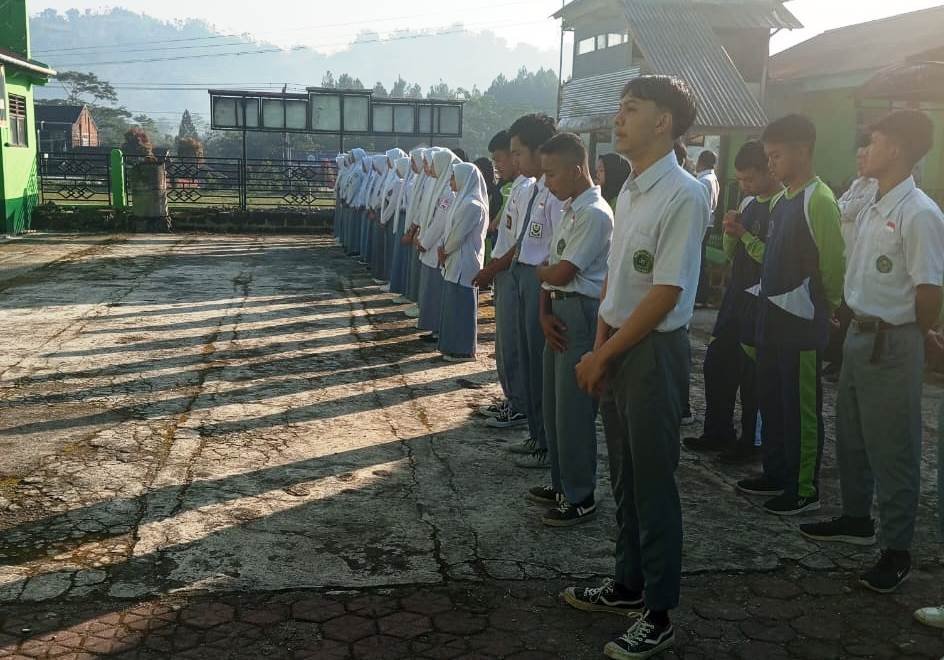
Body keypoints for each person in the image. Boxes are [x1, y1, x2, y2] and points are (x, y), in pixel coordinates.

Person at [564, 75, 705, 659]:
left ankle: (660, 612)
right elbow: (619, 285)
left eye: (631, 109)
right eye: (620, 109)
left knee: (652, 483)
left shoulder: (685, 194)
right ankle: (627, 583)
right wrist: (598, 347)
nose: (618, 119)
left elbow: (665, 294)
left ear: (664, 122)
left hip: (650, 352)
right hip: (617, 346)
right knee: (623, 476)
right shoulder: (629, 189)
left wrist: (607, 352)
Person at [799, 110, 944, 593]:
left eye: (875, 140)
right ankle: (857, 518)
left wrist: (914, 335)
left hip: (893, 339)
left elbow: (929, 292)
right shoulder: (873, 205)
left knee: (894, 446)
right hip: (861, 336)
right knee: (854, 435)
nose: (866, 148)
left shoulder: (919, 212)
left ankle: (897, 548)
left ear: (898, 149)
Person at [736, 114, 845, 516]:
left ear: (803, 150)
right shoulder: (782, 201)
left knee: (800, 408)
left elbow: (833, 265)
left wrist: (828, 307)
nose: (771, 165)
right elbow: (772, 258)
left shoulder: (819, 199)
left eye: (777, 156)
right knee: (773, 401)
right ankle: (776, 471)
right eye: (769, 157)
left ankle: (802, 487)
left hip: (800, 326)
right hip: (771, 323)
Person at [530, 132, 613, 527]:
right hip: (560, 310)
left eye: (552, 174)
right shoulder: (570, 210)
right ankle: (561, 483)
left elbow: (561, 270)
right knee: (554, 406)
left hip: (580, 313)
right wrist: (544, 308)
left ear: (577, 170)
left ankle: (580, 495)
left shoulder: (595, 213)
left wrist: (542, 275)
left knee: (574, 412)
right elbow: (550, 268)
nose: (547, 182)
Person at [684, 140, 781, 464]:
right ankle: (717, 430)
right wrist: (729, 231)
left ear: (769, 169)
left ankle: (751, 440)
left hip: (762, 302)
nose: (745, 186)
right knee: (717, 365)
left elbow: (776, 260)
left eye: (750, 179)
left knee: (753, 374)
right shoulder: (750, 203)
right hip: (736, 298)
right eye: (740, 180)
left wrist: (745, 235)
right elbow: (730, 255)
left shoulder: (782, 206)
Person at [507, 113, 564, 469]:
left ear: (538, 150)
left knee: (542, 368)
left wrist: (543, 293)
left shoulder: (556, 192)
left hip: (542, 280)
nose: (515, 161)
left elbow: (556, 249)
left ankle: (546, 444)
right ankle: (535, 434)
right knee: (528, 360)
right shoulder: (534, 188)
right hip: (525, 275)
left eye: (518, 153)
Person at [474, 130, 535, 431]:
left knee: (514, 344)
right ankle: (512, 398)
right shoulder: (518, 187)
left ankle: (521, 404)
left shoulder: (531, 189)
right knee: (505, 342)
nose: (498, 165)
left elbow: (521, 242)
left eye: (502, 158)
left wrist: (492, 268)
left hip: (512, 272)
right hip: (505, 272)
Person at [823, 137, 879, 380]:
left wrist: (844, 209)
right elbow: (839, 207)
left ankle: (843, 362)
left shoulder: (877, 186)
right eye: (858, 157)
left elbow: (849, 209)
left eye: (864, 156)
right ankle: (835, 360)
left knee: (849, 313)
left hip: (858, 259)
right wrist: (844, 208)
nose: (860, 161)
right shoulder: (857, 184)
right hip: (844, 258)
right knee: (840, 311)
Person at [438, 162, 489, 362]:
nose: (450, 182)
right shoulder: (461, 201)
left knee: (463, 306)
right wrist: (444, 248)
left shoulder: (472, 205)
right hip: (453, 258)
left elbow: (458, 235)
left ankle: (464, 349)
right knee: (453, 305)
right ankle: (453, 346)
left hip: (464, 261)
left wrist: (444, 249)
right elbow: (449, 229)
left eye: (453, 178)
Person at [417, 149, 460, 341]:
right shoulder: (437, 184)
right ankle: (434, 327)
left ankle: (438, 329)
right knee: (431, 291)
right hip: (429, 245)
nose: (430, 168)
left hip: (437, 247)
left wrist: (425, 242)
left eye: (433, 164)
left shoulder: (447, 191)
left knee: (436, 291)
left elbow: (439, 222)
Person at [386, 156, 413, 297]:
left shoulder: (411, 183)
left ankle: (404, 289)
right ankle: (398, 285)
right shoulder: (404, 182)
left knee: (405, 257)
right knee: (400, 255)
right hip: (403, 218)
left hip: (408, 221)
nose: (396, 171)